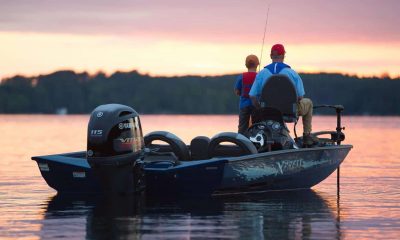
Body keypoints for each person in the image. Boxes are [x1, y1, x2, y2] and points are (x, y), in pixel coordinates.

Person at [249, 44, 317, 145]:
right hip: (289, 111)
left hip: (268, 113)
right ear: (283, 55)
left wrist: (261, 109)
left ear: (271, 56)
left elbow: (252, 96)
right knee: (309, 103)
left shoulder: (262, 73)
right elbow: (300, 97)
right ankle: (307, 136)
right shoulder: (292, 73)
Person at [234, 54, 259, 136]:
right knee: (257, 125)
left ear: (246, 65)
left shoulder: (241, 76)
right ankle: (256, 144)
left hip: (243, 105)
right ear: (257, 64)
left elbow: (237, 91)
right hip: (256, 105)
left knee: (242, 126)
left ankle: (241, 143)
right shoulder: (259, 76)